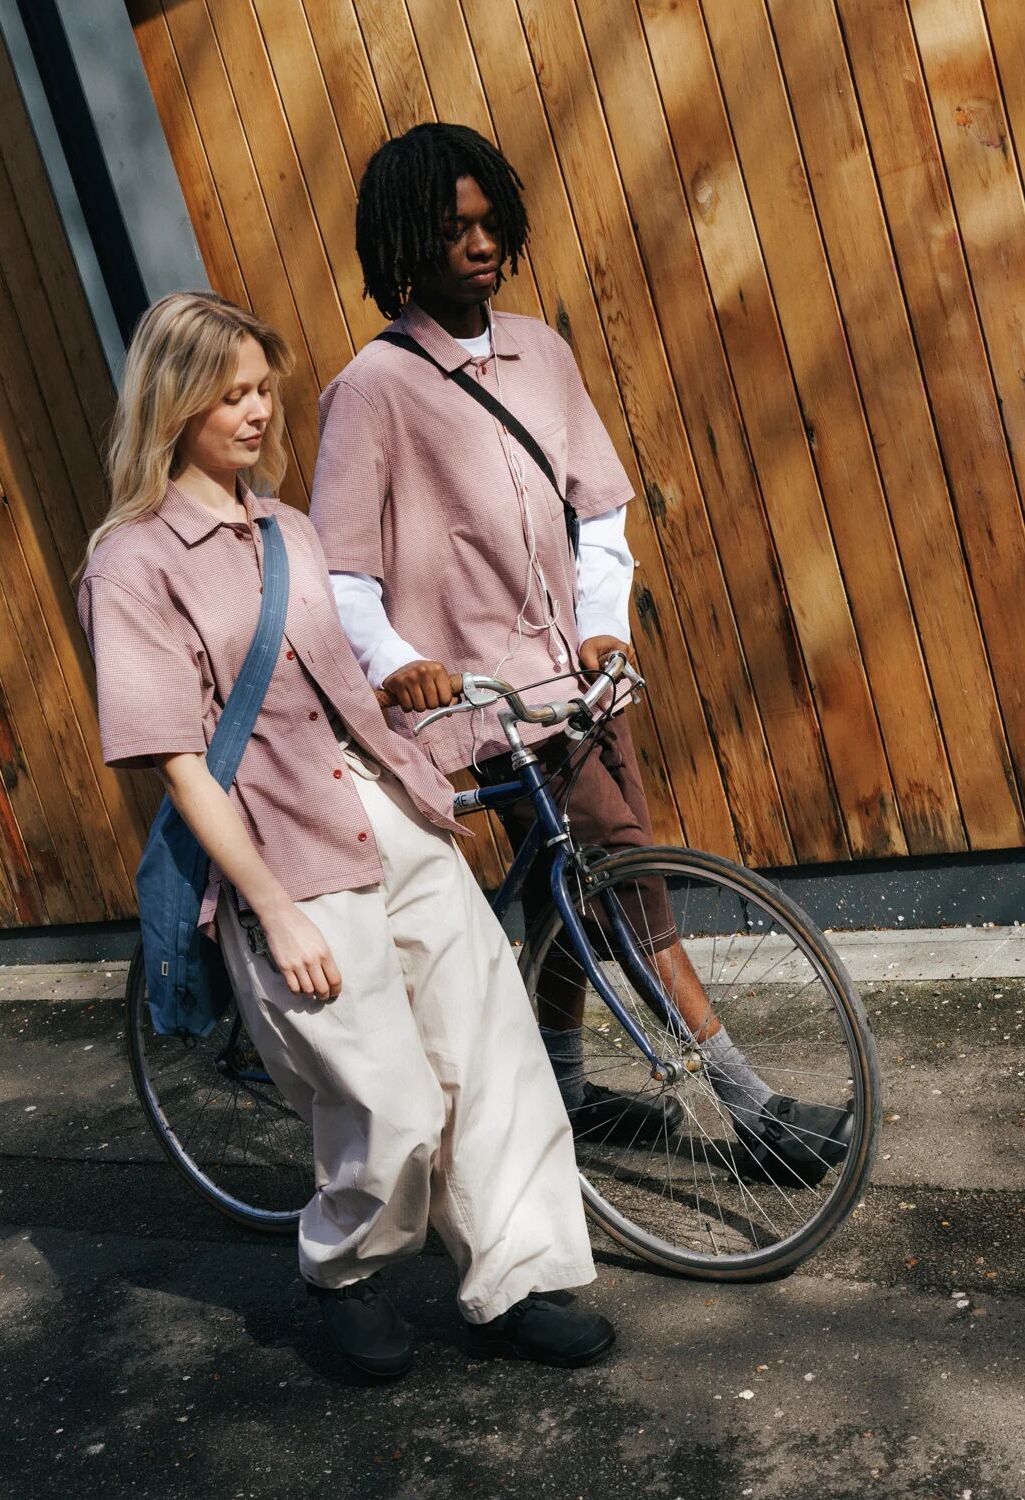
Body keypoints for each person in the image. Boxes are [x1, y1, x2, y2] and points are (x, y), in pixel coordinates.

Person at [77, 291, 615, 1381]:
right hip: (282, 849)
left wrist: (435, 761)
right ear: (173, 406)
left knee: (492, 1056)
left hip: (393, 814)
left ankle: (514, 1281)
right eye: (229, 395)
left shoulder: (290, 531)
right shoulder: (130, 566)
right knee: (391, 1102)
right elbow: (180, 764)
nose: (257, 412)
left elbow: (350, 687)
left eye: (262, 390)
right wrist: (272, 910)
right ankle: (345, 1268)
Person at [311, 124, 852, 1178]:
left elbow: (599, 512)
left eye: (488, 223)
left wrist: (607, 620)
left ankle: (560, 1088)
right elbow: (341, 577)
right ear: (405, 244)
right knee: (621, 882)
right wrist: (394, 663)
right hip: (478, 704)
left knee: (570, 892)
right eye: (452, 229)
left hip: (579, 683)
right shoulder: (371, 391)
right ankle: (753, 1115)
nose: (479, 245)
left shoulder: (542, 354)